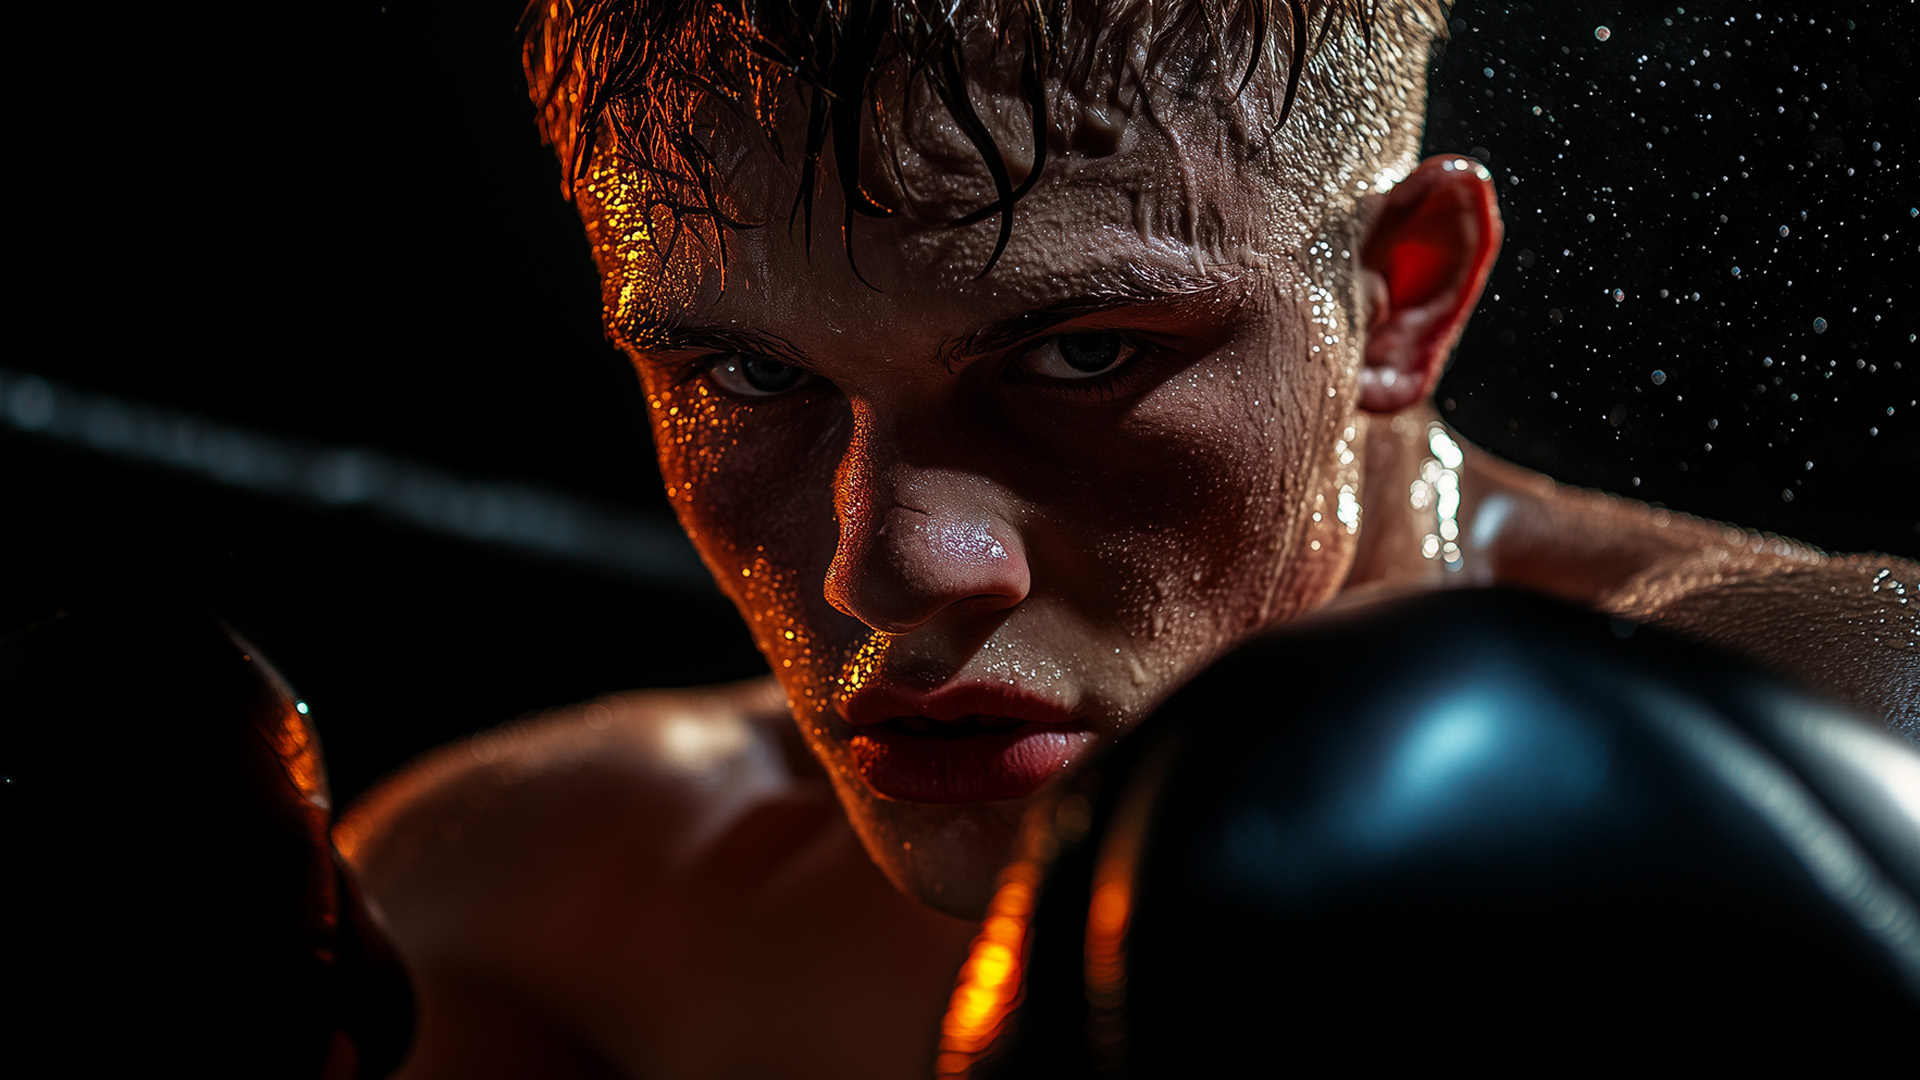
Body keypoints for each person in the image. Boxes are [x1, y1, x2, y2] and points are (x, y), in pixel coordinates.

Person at [336, 1, 1920, 1076]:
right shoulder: (520, 922)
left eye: (1081, 353)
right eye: (752, 375)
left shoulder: (1821, 733)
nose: (890, 567)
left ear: (1405, 295)